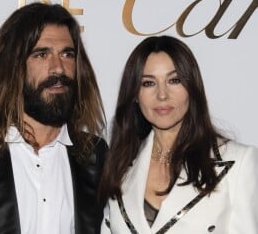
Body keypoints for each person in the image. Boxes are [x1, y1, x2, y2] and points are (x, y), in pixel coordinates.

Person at [0, 2, 107, 234]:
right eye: (41, 54)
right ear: (13, 66)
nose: (58, 68)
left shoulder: (96, 155)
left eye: (67, 54)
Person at [99, 35, 258, 234]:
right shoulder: (120, 167)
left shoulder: (238, 162)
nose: (162, 95)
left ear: (192, 88)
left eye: (174, 80)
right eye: (148, 83)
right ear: (135, 96)